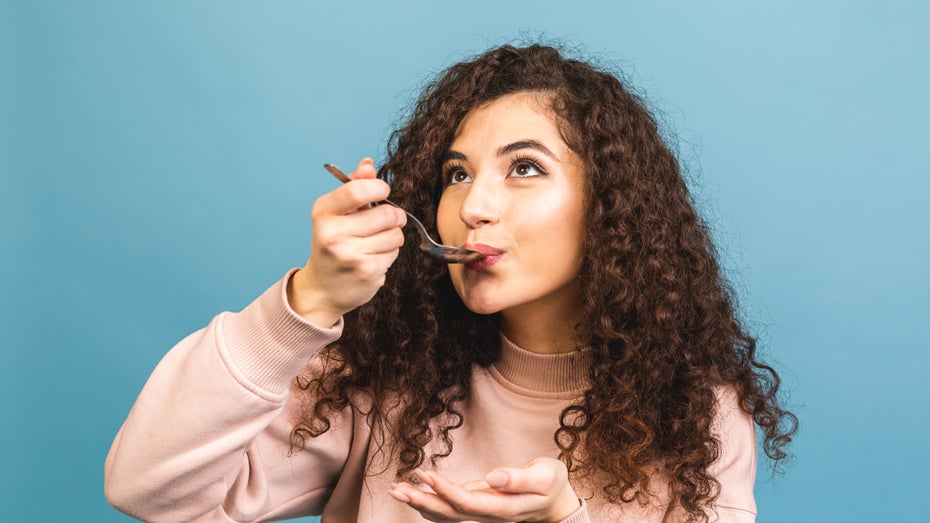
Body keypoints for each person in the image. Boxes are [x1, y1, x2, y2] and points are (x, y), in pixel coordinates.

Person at [104, 44, 796, 523]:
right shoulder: (378, 378)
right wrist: (306, 302)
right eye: (456, 175)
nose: (472, 206)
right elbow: (148, 488)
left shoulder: (697, 413)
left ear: (609, 207)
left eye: (523, 168)